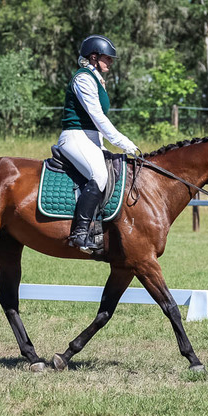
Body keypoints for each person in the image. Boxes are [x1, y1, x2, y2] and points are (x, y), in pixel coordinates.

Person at [56, 34, 139, 252]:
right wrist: (122, 141)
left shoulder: (95, 78)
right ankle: (80, 233)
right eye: (107, 58)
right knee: (99, 175)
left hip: (90, 138)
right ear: (94, 57)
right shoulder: (83, 79)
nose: (110, 61)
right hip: (75, 136)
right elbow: (97, 116)